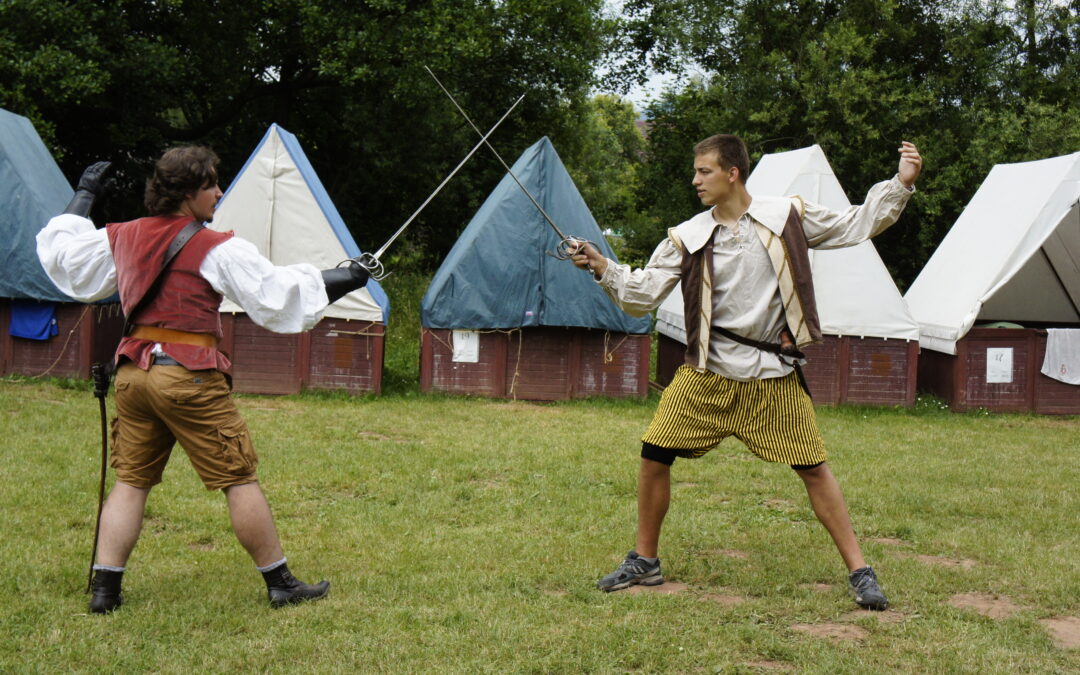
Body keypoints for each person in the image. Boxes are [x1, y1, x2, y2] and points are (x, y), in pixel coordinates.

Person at [570, 135, 922, 610]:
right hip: (707, 375)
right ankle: (645, 561)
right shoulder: (688, 235)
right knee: (654, 454)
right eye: (696, 172)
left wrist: (899, 185)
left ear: (732, 172)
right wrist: (600, 266)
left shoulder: (785, 217)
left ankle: (860, 571)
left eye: (705, 171)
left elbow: (854, 224)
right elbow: (641, 294)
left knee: (814, 469)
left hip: (771, 376)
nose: (695, 180)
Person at [37, 146, 370, 613]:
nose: (218, 193)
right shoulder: (216, 247)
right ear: (186, 193)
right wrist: (350, 277)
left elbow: (64, 256)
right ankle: (281, 584)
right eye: (210, 185)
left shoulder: (123, 237)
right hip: (188, 378)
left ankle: (105, 593)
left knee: (131, 482)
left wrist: (84, 195)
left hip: (134, 375)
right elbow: (275, 295)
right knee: (239, 477)